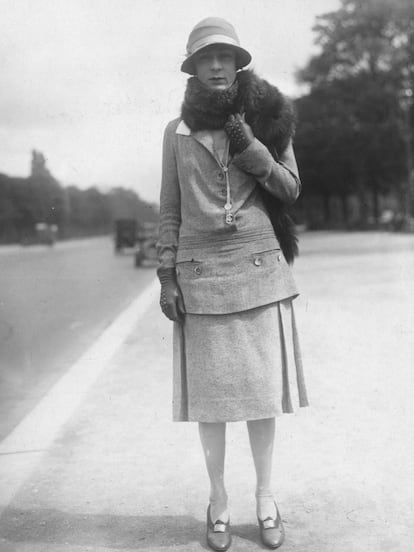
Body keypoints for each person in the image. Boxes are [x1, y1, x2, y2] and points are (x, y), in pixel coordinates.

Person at [157, 17, 308, 551]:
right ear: (193, 69)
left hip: (260, 273)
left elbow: (289, 189)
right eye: (205, 58)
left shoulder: (269, 116)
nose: (216, 66)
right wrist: (167, 275)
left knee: (263, 398)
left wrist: (252, 148)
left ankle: (266, 500)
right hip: (201, 280)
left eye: (224, 56)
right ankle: (219, 501)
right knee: (213, 403)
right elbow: (170, 211)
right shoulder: (176, 133)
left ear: (238, 62)